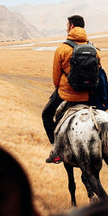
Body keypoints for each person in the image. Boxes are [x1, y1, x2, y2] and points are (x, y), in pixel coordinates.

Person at [42, 15, 99, 164]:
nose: (66, 27)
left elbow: (56, 79)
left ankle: (56, 150)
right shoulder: (94, 49)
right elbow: (97, 74)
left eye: (67, 25)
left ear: (72, 26)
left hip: (67, 95)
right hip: (88, 96)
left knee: (46, 115)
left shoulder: (62, 49)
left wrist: (63, 89)